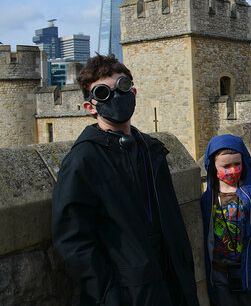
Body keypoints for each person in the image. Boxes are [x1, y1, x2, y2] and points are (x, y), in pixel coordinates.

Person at [51, 54, 198, 305]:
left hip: (172, 283)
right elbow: (73, 240)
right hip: (127, 293)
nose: (116, 96)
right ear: (90, 106)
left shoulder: (152, 150)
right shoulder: (83, 161)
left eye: (122, 87)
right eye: (103, 92)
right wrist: (109, 293)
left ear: (134, 92)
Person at [201, 135, 251, 305]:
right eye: (226, 166)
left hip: (249, 275)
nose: (233, 169)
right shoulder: (208, 200)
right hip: (220, 275)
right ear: (213, 166)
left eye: (237, 164)